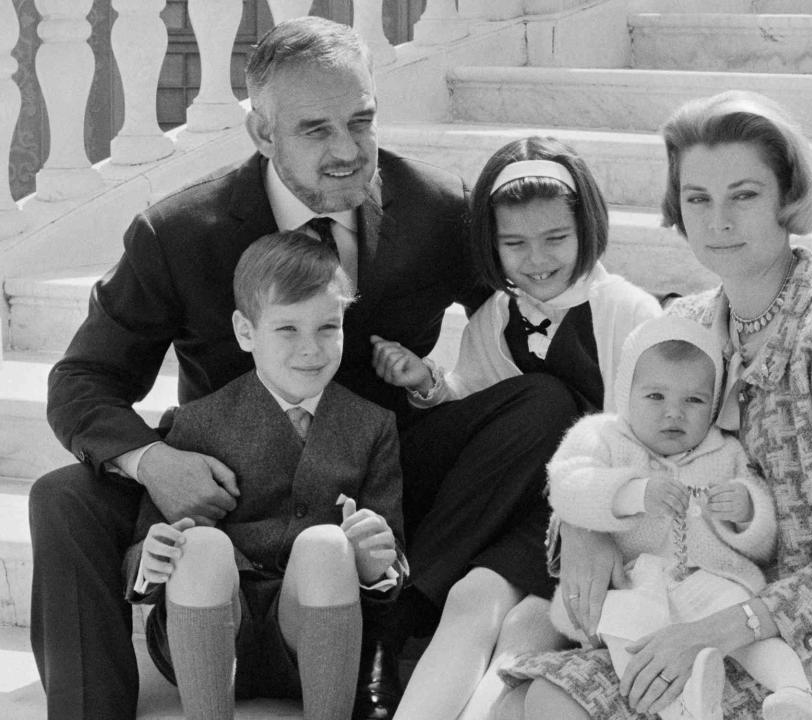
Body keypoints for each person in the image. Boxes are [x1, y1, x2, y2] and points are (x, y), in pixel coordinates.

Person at [26, 15, 548, 720]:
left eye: (360, 121)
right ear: (262, 134)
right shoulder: (178, 234)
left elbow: (537, 309)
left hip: (376, 480)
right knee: (63, 496)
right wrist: (155, 464)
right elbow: (82, 381)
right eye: (315, 130)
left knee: (547, 406)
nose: (348, 150)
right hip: (226, 488)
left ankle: (398, 622)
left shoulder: (438, 211)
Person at [496, 91, 812, 720]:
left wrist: (719, 629)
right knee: (519, 701)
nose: (718, 222)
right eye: (697, 199)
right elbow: (611, 454)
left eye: (743, 195)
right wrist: (582, 530)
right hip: (685, 604)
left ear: (787, 197)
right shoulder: (679, 325)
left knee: (551, 706)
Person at [370, 136, 662, 720]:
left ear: (587, 229)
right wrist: (426, 383)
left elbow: (649, 444)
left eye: (556, 238)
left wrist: (592, 523)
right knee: (470, 598)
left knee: (527, 625)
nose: (537, 259)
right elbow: (478, 405)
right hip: (520, 508)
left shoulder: (625, 312)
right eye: (515, 243)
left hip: (595, 517)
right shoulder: (495, 318)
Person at [124, 231, 407, 720]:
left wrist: (374, 562)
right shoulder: (199, 421)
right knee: (199, 543)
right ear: (245, 331)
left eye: (327, 328)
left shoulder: (372, 425)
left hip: (312, 640)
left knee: (326, 543)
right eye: (287, 330)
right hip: (206, 631)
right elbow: (144, 544)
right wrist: (151, 558)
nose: (311, 350)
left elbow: (391, 557)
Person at [503, 314, 812, 720]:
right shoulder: (602, 436)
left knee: (740, 615)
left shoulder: (724, 453)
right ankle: (684, 707)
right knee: (627, 629)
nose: (675, 414)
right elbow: (567, 485)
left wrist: (745, 512)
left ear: (714, 404)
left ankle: (793, 694)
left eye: (694, 400)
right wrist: (633, 493)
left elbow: (763, 543)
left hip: (707, 579)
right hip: (632, 583)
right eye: (656, 397)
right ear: (625, 393)